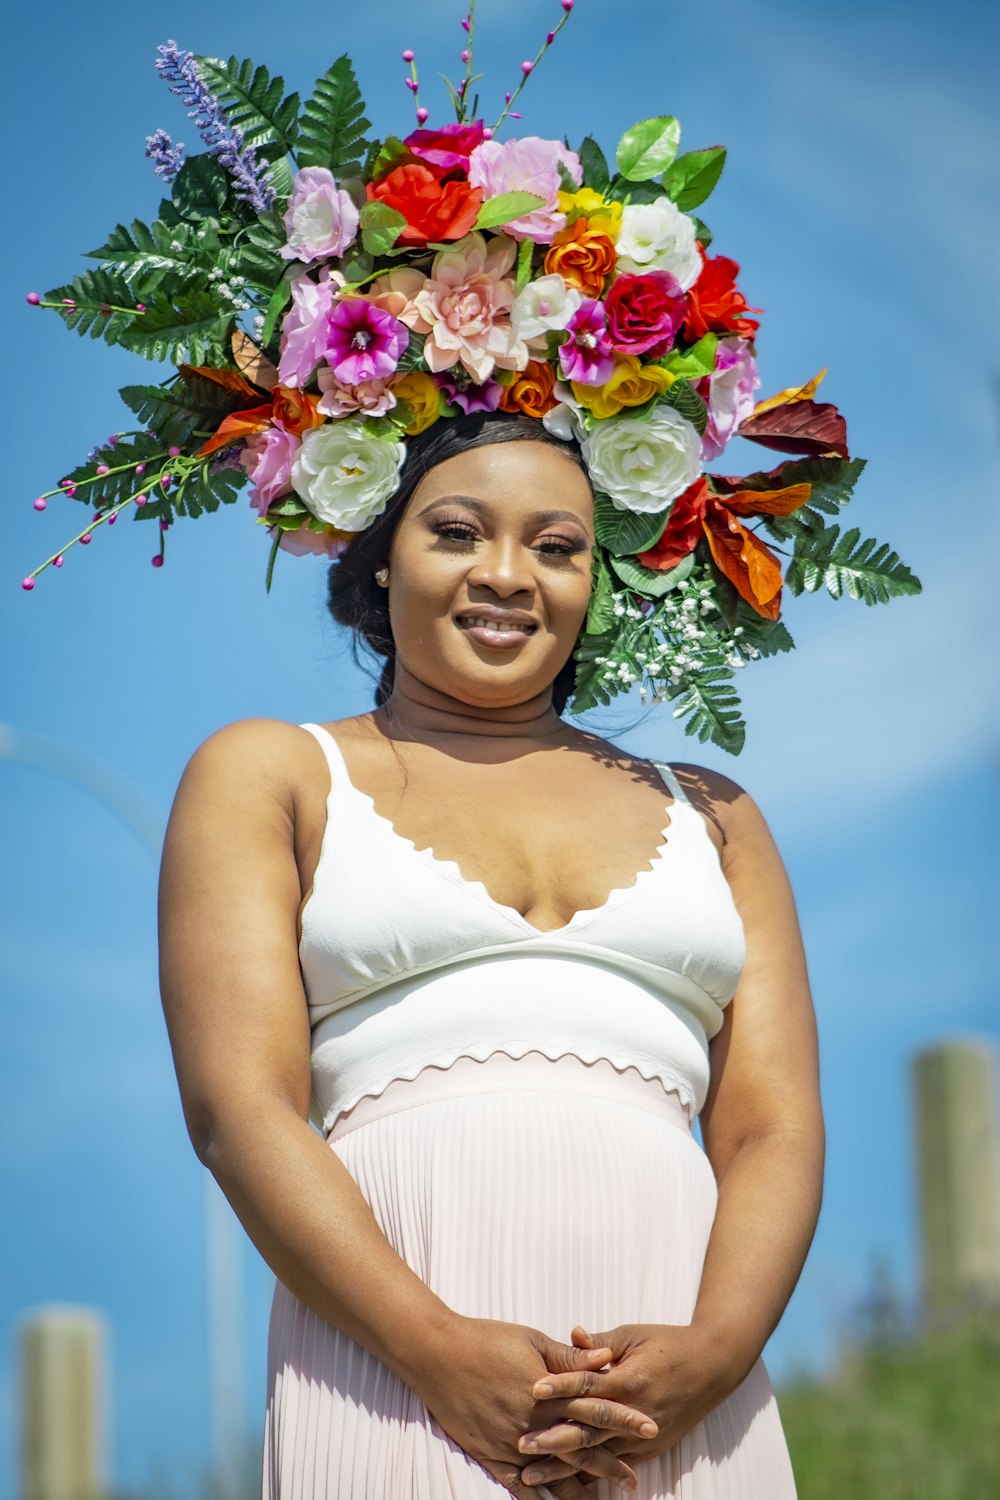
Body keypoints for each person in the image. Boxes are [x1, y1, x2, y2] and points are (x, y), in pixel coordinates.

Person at [157, 407, 820, 1497]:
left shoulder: (716, 814)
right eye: (457, 533)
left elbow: (772, 1127)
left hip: (672, 1383)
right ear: (378, 563)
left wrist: (716, 1353)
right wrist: (434, 1350)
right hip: (393, 1355)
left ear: (597, 582)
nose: (507, 574)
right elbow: (240, 1109)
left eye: (556, 547)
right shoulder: (272, 773)